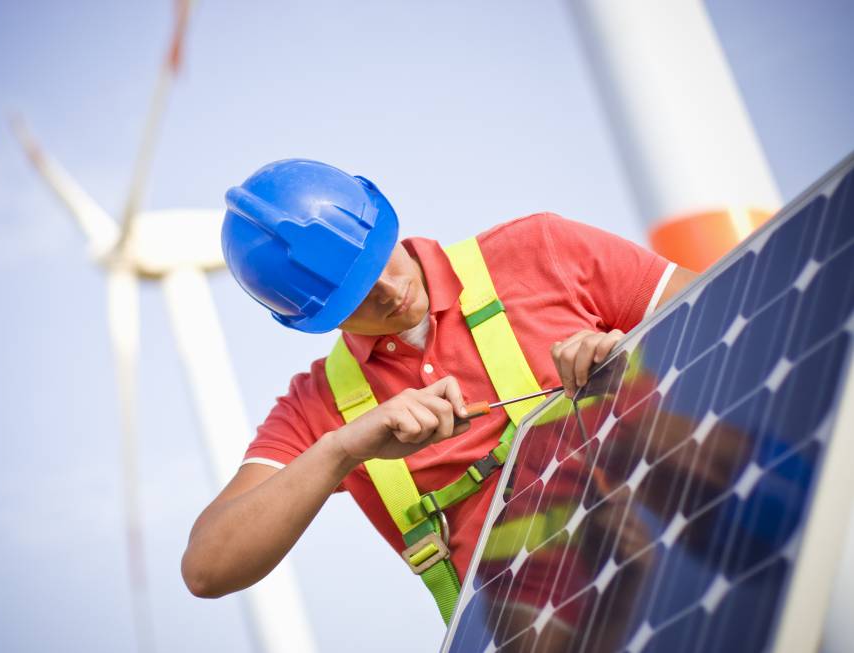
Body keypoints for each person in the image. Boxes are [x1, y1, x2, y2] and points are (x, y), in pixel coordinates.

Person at [180, 159, 697, 624]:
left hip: (700, 553)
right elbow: (207, 569)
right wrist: (344, 448)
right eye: (354, 294)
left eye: (375, 258)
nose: (388, 291)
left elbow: (742, 310)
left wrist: (634, 350)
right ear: (313, 319)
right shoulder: (319, 406)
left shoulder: (542, 250)